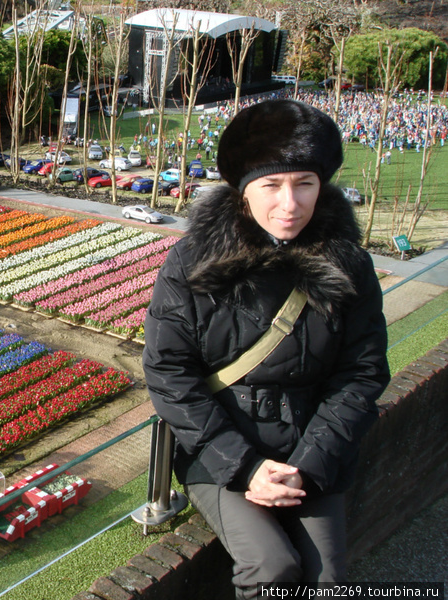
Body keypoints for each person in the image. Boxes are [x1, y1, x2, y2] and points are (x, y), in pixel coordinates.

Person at [142, 99, 389, 599]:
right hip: (221, 446)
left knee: (328, 582)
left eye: (305, 184)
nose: (290, 204)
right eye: (271, 185)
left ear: (324, 185)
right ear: (242, 189)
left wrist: (309, 464)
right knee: (271, 567)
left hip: (314, 448)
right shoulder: (192, 261)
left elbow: (361, 376)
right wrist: (246, 467)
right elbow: (170, 373)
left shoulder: (349, 265)